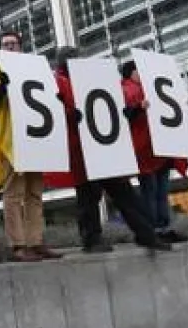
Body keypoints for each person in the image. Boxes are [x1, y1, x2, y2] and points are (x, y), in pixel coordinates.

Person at [46, 48, 170, 254]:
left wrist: (133, 110)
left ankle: (146, 234)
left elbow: (116, 106)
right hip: (82, 150)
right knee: (90, 196)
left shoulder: (90, 79)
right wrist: (68, 114)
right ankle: (93, 239)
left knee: (123, 193)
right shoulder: (58, 82)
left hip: (104, 145)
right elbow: (52, 108)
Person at [0, 29, 58, 262]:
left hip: (34, 140)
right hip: (9, 142)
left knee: (34, 193)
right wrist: (1, 88)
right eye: (5, 44)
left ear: (20, 46)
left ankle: (35, 242)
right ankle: (18, 245)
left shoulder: (32, 68)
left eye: (13, 44)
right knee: (14, 194)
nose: (9, 48)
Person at [120, 61, 187, 245]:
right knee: (151, 192)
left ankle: (163, 227)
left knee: (161, 191)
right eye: (138, 71)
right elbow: (124, 115)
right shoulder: (126, 90)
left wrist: (183, 106)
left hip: (159, 149)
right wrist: (139, 107)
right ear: (131, 73)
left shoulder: (152, 88)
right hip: (146, 150)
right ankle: (153, 229)